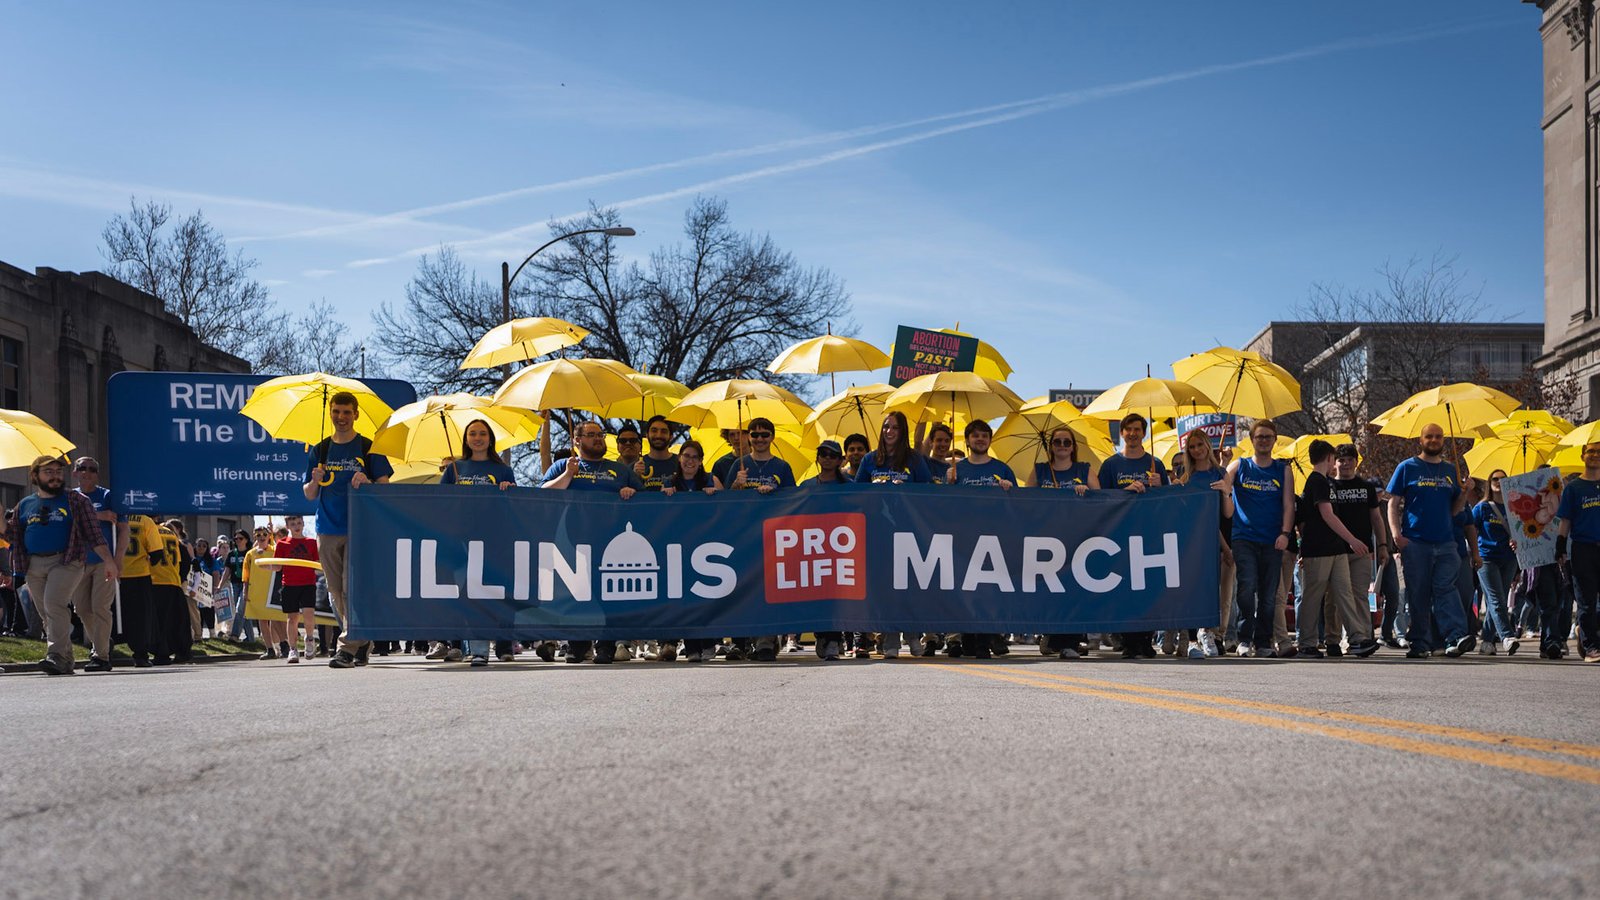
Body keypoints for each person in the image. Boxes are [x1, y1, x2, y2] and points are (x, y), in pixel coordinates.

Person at [304, 391, 394, 669]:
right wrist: (315, 481)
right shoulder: (319, 450)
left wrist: (367, 480)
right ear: (330, 413)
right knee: (334, 591)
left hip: (360, 528)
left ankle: (345, 647)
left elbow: (385, 487)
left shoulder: (369, 448)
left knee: (350, 589)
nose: (341, 417)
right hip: (327, 528)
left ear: (355, 414)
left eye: (346, 412)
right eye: (336, 412)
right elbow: (308, 494)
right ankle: (361, 638)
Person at [5, 456, 118, 674]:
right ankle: (65, 659)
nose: (55, 476)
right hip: (33, 564)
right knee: (46, 612)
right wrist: (1, 520)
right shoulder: (25, 505)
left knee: (54, 603)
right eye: (49, 472)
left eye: (58, 471)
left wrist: (109, 561)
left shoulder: (77, 500)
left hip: (67, 561)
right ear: (35, 476)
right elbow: (13, 536)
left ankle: (55, 655)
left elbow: (93, 535)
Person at [543, 421, 643, 664]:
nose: (598, 439)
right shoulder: (563, 466)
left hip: (611, 542)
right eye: (591, 435)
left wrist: (631, 492)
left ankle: (606, 645)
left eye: (600, 434)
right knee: (577, 594)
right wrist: (568, 475)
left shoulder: (620, 470)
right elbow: (542, 493)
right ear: (576, 441)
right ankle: (577, 644)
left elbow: (647, 499)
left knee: (607, 594)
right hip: (571, 541)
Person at [1386, 423, 1474, 659]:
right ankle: (1419, 642)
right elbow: (1393, 503)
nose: (1434, 440)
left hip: (1446, 542)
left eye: (1438, 437)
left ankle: (1455, 637)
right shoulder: (1407, 467)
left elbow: (1455, 511)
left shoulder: (1450, 470)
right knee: (1418, 593)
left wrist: (1464, 492)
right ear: (1421, 440)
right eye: (1429, 437)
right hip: (1415, 542)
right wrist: (1396, 534)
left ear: (1443, 440)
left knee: (1446, 588)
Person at [855, 411, 931, 658]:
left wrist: (907, 490)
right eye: (886, 426)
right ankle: (890, 639)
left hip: (908, 532)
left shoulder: (915, 460)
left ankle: (912, 633)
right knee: (886, 587)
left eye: (894, 427)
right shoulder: (869, 460)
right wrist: (870, 490)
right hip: (878, 534)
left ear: (903, 431)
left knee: (908, 585)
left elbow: (930, 494)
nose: (888, 431)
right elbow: (856, 495)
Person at [443, 419, 518, 666]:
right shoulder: (455, 468)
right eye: (472, 433)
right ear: (466, 439)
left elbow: (515, 504)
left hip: (496, 539)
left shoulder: (502, 469)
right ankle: (478, 650)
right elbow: (438, 502)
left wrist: (509, 490)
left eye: (482, 433)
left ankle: (505, 645)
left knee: (499, 591)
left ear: (490, 438)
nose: (477, 438)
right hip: (463, 540)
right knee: (471, 593)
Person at [1097, 414, 1170, 659]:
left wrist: (1160, 486)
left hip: (1149, 535)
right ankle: (1129, 641)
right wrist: (1124, 492)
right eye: (1128, 429)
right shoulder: (1110, 465)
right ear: (1122, 433)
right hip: (1119, 536)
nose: (1132, 433)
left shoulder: (1156, 464)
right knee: (1125, 590)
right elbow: (1101, 500)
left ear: (1144, 433)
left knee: (1148, 588)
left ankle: (1146, 640)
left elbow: (1166, 502)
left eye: (1137, 429)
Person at [1293, 440, 1373, 659]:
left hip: (1336, 550)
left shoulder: (1326, 482)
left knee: (1344, 594)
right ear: (1329, 458)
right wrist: (1352, 539)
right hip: (1319, 550)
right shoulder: (1316, 481)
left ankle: (1357, 639)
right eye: (1333, 459)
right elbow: (1327, 514)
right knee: (1313, 596)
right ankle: (1307, 643)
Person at [725, 417, 796, 661]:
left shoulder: (783, 467)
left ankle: (766, 640)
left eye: (764, 434)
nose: (759, 439)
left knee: (769, 589)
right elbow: (726, 502)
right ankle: (740, 642)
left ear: (772, 437)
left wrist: (776, 494)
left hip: (773, 536)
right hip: (744, 535)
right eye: (754, 435)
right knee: (741, 588)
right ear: (748, 438)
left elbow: (793, 502)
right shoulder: (739, 465)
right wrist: (736, 484)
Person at [1030, 425, 1103, 659]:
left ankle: (1069, 641)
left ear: (1073, 447)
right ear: (1050, 447)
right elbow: (1025, 501)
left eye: (1067, 442)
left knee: (1074, 589)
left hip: (1078, 538)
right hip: (1047, 539)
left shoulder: (1085, 469)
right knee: (1051, 590)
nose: (1062, 446)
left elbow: (1102, 499)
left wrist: (1086, 493)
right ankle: (1050, 636)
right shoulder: (1040, 471)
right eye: (1057, 442)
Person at [1224, 419, 1294, 659]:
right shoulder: (1240, 465)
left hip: (1273, 540)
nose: (1263, 440)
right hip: (1244, 538)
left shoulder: (1283, 469)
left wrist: (1285, 533)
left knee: (1268, 595)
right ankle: (1244, 638)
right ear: (1251, 440)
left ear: (1274, 440)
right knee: (1246, 588)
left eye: (1268, 436)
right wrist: (1222, 464)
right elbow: (1223, 483)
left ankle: (1264, 642)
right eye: (1259, 436)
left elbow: (1288, 504)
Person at [1174, 429, 1234, 658]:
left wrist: (1226, 492)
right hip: (1191, 540)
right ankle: (1191, 640)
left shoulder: (1220, 473)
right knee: (1191, 589)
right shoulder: (1184, 475)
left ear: (1208, 445)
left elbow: (1228, 514)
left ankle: (1207, 632)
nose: (1196, 450)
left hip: (1216, 538)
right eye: (1192, 446)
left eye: (1200, 445)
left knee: (1213, 590)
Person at [1326, 443, 1386, 658]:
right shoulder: (1329, 486)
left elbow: (1376, 519)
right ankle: (1333, 639)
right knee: (1335, 597)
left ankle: (1361, 638)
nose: (1345, 464)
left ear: (1356, 462)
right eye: (1341, 460)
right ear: (1335, 463)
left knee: (1360, 596)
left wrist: (1382, 546)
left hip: (1362, 552)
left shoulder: (1367, 487)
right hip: (1335, 550)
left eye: (1350, 459)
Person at [68, 456, 122, 668]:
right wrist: (100, 515)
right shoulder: (70, 497)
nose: (87, 472)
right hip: (77, 560)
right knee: (81, 608)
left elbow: (121, 524)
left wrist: (117, 560)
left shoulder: (108, 495)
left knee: (100, 606)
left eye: (92, 469)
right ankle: (102, 641)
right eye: (82, 468)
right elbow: (72, 519)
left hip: (103, 560)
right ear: (75, 472)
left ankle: (101, 655)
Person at [1554, 441, 1600, 663]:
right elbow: (1565, 520)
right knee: (1586, 601)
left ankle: (1587, 632)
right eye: (1591, 451)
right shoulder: (1574, 488)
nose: (1595, 455)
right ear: (1583, 456)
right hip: (1583, 549)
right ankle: (1591, 647)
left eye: (1599, 452)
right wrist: (1560, 545)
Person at [1473, 470, 1520, 656]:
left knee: (1498, 599)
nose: (1499, 482)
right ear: (1489, 482)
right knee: (1496, 599)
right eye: (1495, 479)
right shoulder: (1481, 508)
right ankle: (1507, 636)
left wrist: (1516, 539)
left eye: (1503, 479)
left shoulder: (1515, 507)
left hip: (1509, 559)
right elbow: (1470, 531)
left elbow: (1522, 532)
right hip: (1487, 558)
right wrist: (1474, 555)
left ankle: (1486, 641)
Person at [267, 515, 319, 664]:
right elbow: (278, 566)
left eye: (298, 523)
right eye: (292, 524)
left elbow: (317, 563)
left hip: (308, 583)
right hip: (289, 584)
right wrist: (267, 566)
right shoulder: (282, 544)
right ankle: (293, 649)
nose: (296, 526)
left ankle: (309, 639)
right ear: (288, 527)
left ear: (303, 524)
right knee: (292, 618)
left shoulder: (312, 543)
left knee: (309, 614)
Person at [151, 520, 189, 665]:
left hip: (157, 581)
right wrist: (181, 577)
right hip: (174, 582)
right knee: (177, 621)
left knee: (160, 622)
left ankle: (162, 653)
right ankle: (182, 652)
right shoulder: (174, 538)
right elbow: (185, 561)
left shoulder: (153, 533)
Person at [243, 526, 283, 659]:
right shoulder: (250, 554)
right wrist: (245, 591)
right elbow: (246, 574)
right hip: (257, 590)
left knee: (275, 619)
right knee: (262, 620)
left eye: (264, 534)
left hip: (272, 590)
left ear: (269, 535)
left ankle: (283, 645)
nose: (261, 536)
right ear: (255, 537)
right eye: (258, 534)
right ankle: (269, 649)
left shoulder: (275, 550)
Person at [224, 531, 254, 643]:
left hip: (247, 584)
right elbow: (227, 571)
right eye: (235, 539)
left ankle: (234, 635)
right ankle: (250, 638)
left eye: (240, 538)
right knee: (243, 612)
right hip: (234, 584)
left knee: (239, 609)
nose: (237, 541)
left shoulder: (250, 553)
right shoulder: (232, 554)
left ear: (246, 540)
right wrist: (220, 585)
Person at [636, 416, 679, 492]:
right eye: (654, 431)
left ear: (671, 437)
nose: (658, 435)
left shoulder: (682, 464)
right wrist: (634, 476)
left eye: (664, 431)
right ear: (647, 435)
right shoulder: (636, 466)